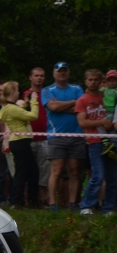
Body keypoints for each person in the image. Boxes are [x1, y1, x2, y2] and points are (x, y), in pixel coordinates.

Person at [42, 62, 86, 211]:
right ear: (54, 73)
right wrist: (73, 102)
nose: (62, 73)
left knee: (74, 170)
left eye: (65, 71)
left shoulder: (77, 88)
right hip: (56, 136)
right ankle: (52, 203)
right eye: (59, 71)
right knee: (56, 170)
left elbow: (81, 108)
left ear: (68, 73)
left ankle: (72, 203)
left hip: (76, 135)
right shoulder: (47, 90)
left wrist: (61, 106)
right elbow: (53, 107)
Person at [76, 69, 116, 215]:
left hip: (111, 140)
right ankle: (86, 205)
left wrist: (110, 124)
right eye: (90, 80)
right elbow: (82, 122)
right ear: (86, 82)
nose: (93, 82)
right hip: (94, 141)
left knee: (112, 177)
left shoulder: (107, 96)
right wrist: (101, 122)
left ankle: (108, 207)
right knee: (98, 175)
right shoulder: (82, 100)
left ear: (101, 81)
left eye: (96, 80)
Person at [0, 81, 39, 207]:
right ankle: (18, 201)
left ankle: (32, 199)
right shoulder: (12, 108)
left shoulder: (8, 107)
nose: (18, 93)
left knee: (33, 171)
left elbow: (19, 113)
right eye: (17, 90)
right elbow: (33, 116)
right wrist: (34, 101)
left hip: (20, 141)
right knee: (21, 173)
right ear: (12, 92)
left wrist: (25, 103)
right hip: (20, 141)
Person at [23, 68, 50, 206]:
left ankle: (42, 198)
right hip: (29, 137)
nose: (39, 78)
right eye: (36, 75)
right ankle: (27, 198)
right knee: (28, 169)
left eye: (42, 76)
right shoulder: (25, 95)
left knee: (45, 170)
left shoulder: (48, 94)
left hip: (45, 137)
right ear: (30, 77)